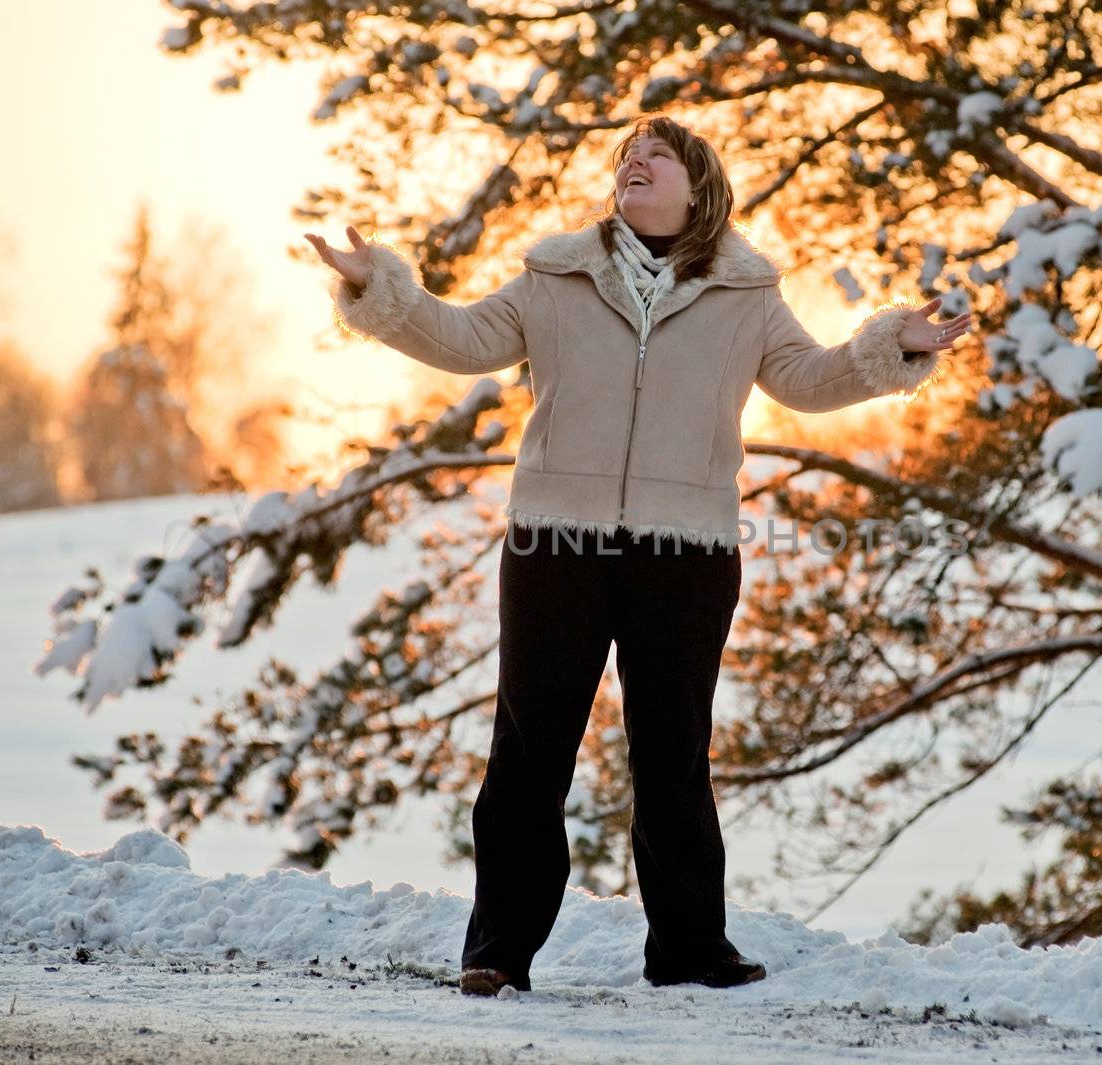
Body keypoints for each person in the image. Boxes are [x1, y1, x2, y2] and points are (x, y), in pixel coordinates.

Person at [304, 115, 969, 997]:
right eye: (625, 159)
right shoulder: (555, 274)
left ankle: (691, 951)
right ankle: (497, 951)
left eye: (656, 157)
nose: (635, 165)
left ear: (700, 187)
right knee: (529, 752)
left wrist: (891, 347)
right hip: (554, 547)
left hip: (686, 555)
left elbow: (809, 380)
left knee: (672, 754)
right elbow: (461, 340)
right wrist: (378, 289)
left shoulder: (748, 293)